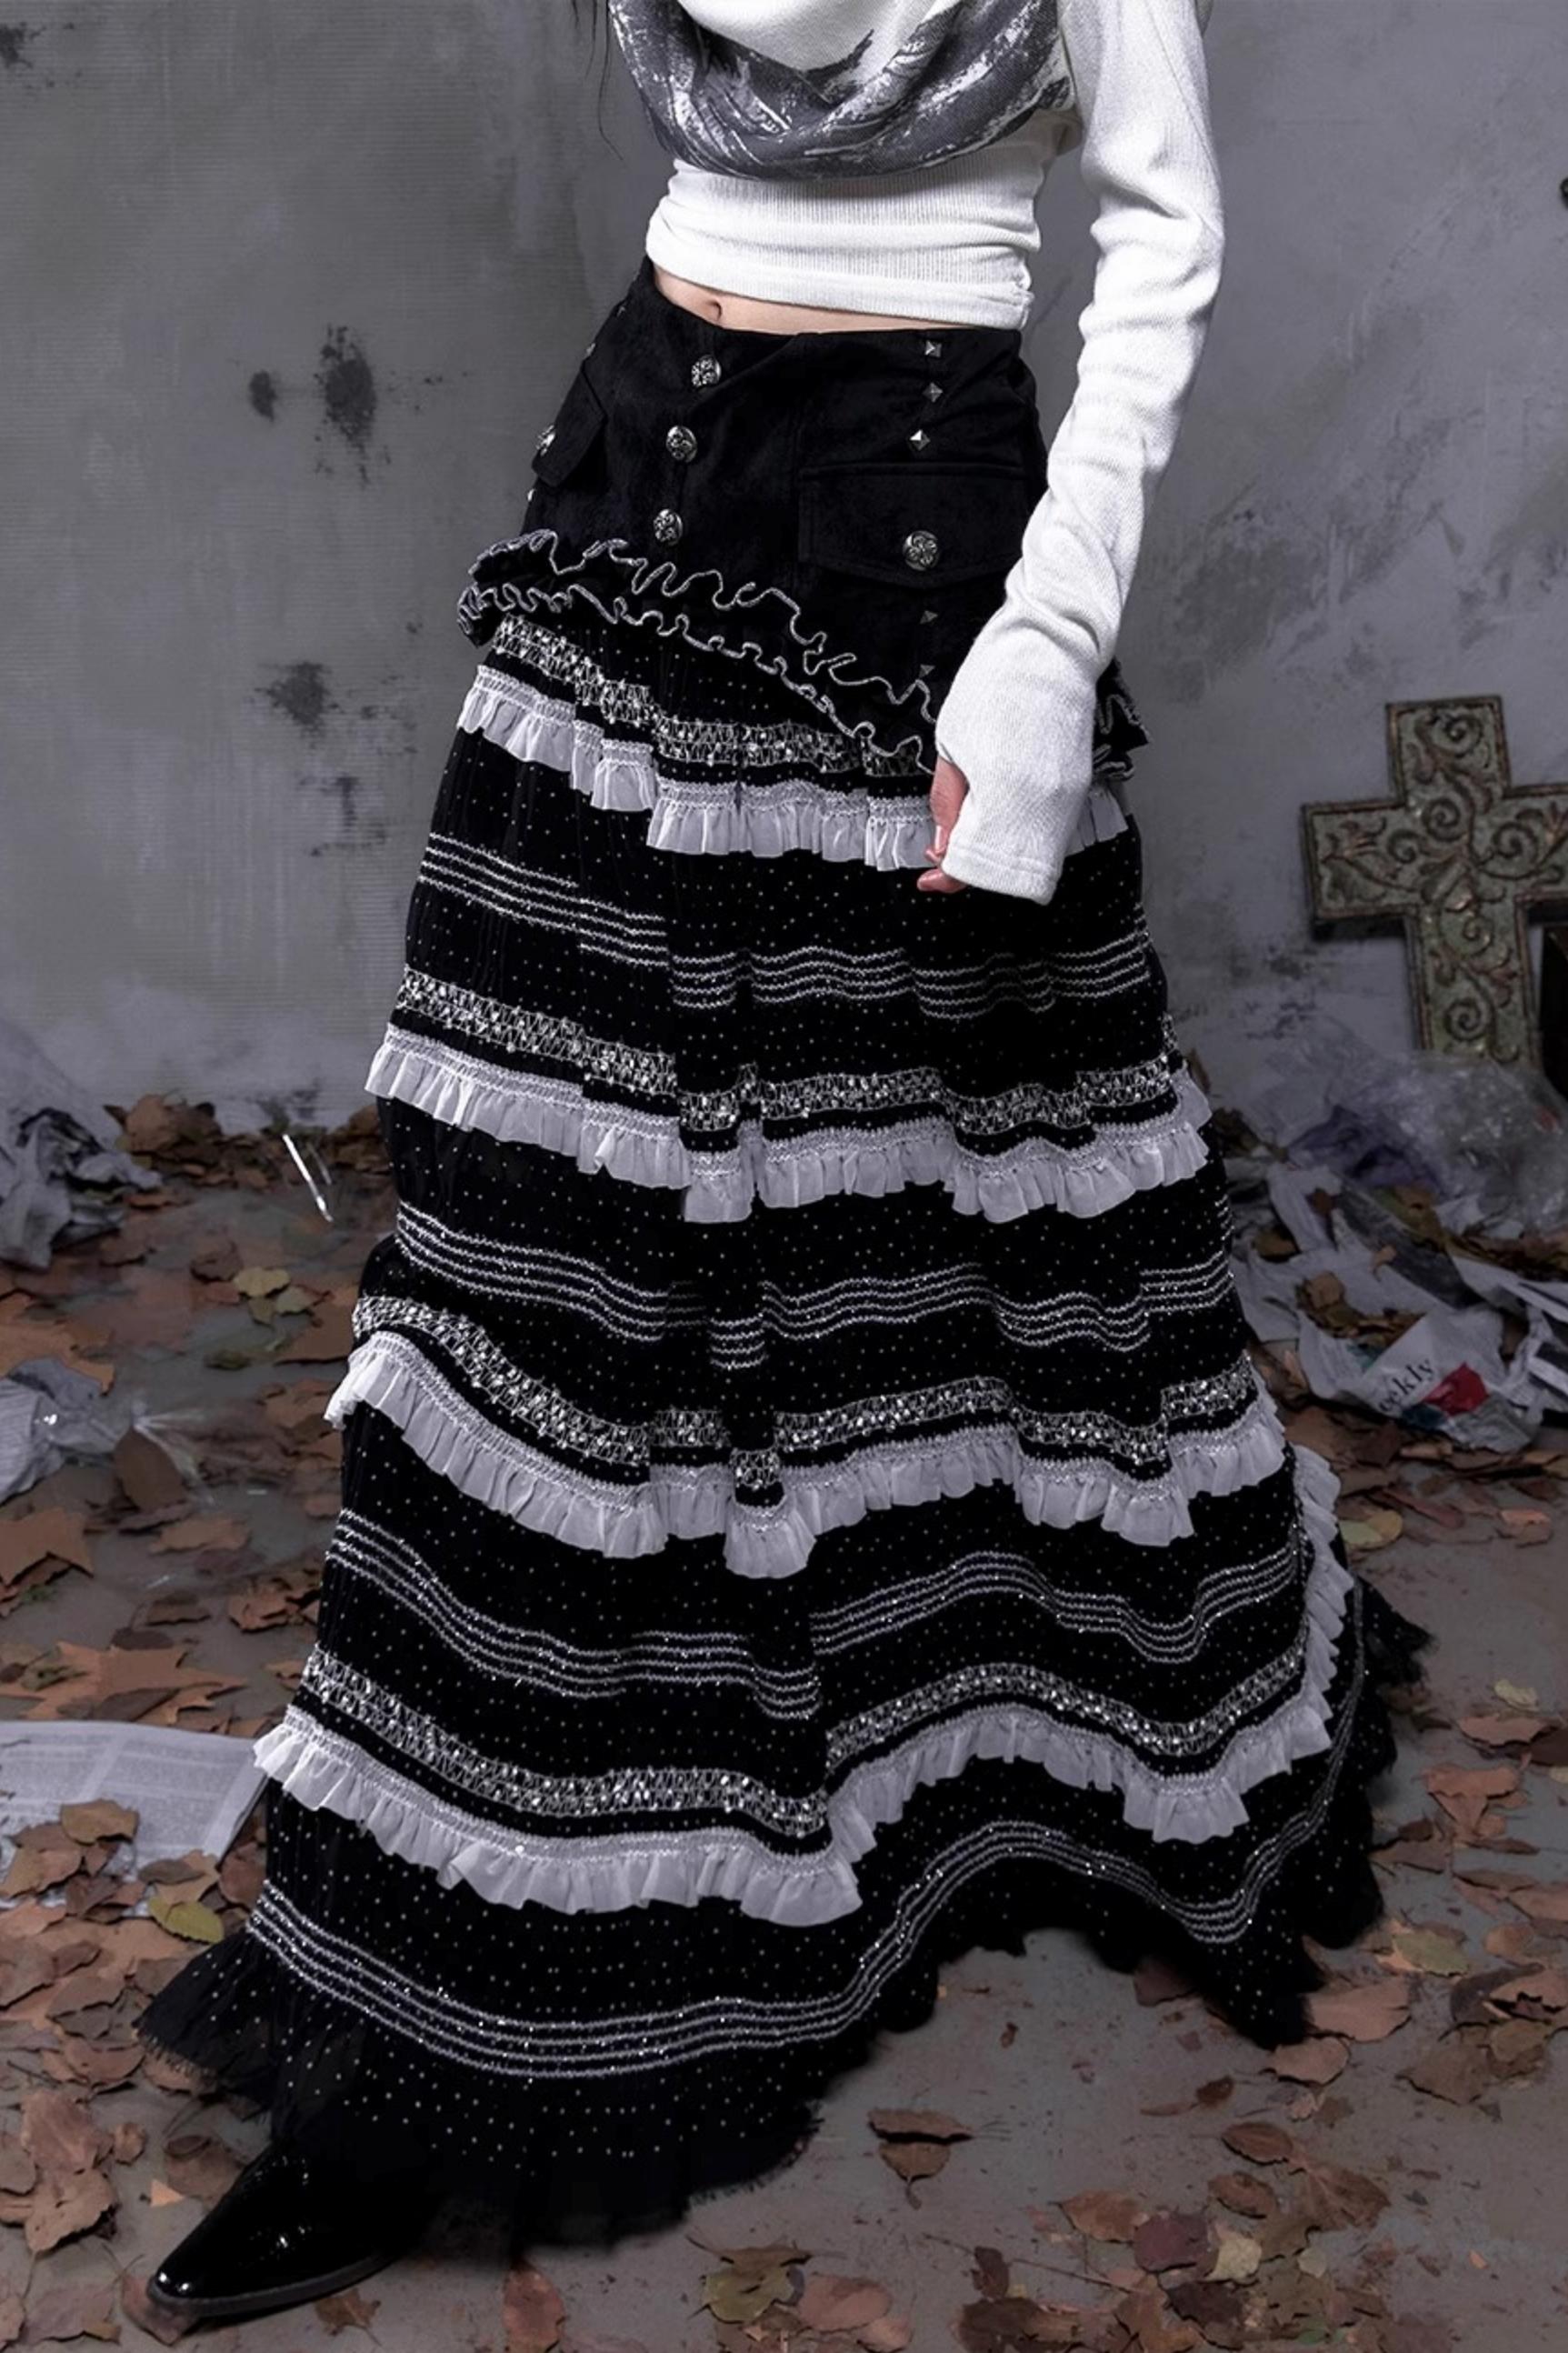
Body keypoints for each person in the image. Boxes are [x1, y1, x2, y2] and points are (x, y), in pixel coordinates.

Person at [136, 0, 1433, 2323]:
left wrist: (1043, 641)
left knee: (966, 1216)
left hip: (912, 512)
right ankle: (427, 2011)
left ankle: (997, 1760)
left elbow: (1163, 240)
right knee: (553, 1258)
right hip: (642, 442)